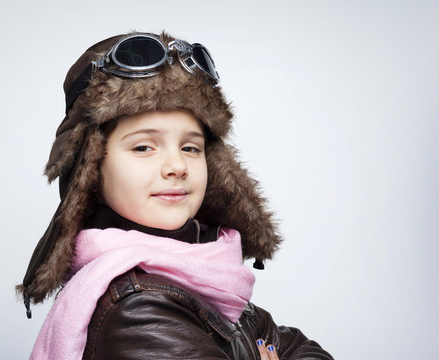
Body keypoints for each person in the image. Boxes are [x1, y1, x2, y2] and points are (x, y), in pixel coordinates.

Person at [17, 32, 334, 360]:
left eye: (190, 147)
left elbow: (303, 349)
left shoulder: (204, 273)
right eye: (143, 147)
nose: (177, 165)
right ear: (92, 168)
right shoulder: (137, 307)